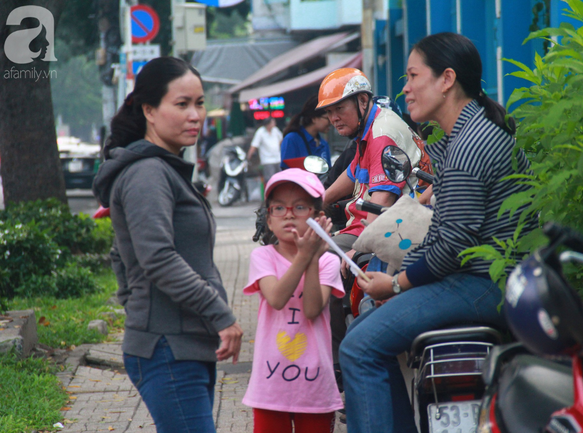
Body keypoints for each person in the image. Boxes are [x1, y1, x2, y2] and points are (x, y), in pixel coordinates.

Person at [340, 33, 536, 433]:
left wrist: (395, 285)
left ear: (447, 80)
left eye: (413, 76)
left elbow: (451, 246)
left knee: (358, 349)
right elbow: (445, 236)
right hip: (481, 279)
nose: (406, 88)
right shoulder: (467, 134)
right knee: (361, 331)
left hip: (485, 284)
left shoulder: (468, 146)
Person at [92, 56, 243, 433]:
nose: (195, 115)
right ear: (149, 110)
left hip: (183, 344)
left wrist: (136, 301)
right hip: (167, 350)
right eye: (181, 104)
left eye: (200, 102)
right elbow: (157, 257)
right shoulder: (147, 173)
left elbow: (119, 252)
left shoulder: (165, 169)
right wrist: (220, 314)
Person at [316, 68, 425, 379]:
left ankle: (341, 368)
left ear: (363, 101)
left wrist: (356, 251)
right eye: (330, 112)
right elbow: (351, 174)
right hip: (366, 225)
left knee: (321, 263)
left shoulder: (381, 135)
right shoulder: (369, 129)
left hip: (391, 230)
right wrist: (315, 202)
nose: (334, 118)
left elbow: (382, 202)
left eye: (340, 109)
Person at [242, 168, 345, 433]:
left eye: (300, 207)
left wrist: (311, 257)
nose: (288, 214)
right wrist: (305, 255)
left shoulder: (328, 261)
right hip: (270, 386)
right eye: (279, 208)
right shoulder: (262, 257)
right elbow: (276, 298)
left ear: (318, 217)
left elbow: (312, 309)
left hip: (316, 385)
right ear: (269, 219)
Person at [280, 95, 332, 169]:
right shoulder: (291, 140)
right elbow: (287, 172)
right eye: (327, 118)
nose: (332, 122)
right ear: (314, 118)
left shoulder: (324, 144)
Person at [247, 117, 283, 183]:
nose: (274, 124)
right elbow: (254, 145)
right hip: (267, 160)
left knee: (280, 178)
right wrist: (248, 156)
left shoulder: (275, 130)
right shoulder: (260, 132)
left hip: (278, 158)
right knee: (270, 180)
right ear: (268, 124)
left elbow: (281, 139)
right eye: (273, 122)